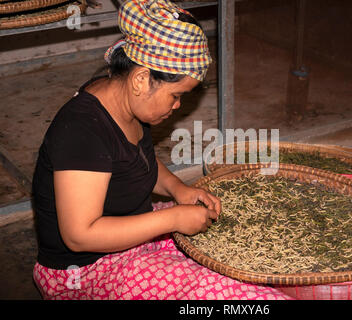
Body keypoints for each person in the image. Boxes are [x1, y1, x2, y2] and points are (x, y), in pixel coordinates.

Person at [32, 0, 292, 300]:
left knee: (246, 241)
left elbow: (135, 160)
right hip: (86, 271)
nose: (178, 106)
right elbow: (79, 236)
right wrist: (171, 219)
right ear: (142, 79)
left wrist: (177, 188)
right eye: (176, 95)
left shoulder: (121, 99)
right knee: (236, 296)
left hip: (131, 237)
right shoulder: (82, 130)